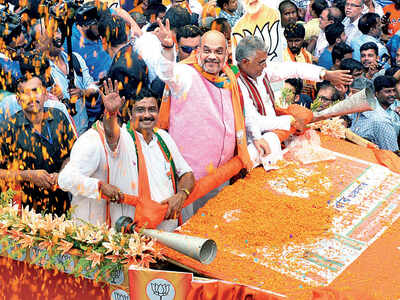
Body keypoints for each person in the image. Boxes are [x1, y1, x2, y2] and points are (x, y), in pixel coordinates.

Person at [58, 80, 194, 230]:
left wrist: (182, 194)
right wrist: (110, 113)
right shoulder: (122, 138)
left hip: (168, 229)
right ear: (129, 113)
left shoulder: (164, 137)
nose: (147, 115)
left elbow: (187, 173)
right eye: (140, 110)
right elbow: (110, 134)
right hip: (135, 233)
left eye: (152, 109)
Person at [149, 23, 253, 218]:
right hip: (189, 178)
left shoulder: (230, 78)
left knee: (214, 226)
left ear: (227, 53)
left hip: (220, 174)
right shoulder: (186, 74)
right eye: (207, 51)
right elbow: (167, 73)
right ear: (198, 51)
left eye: (218, 52)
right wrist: (167, 49)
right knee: (187, 228)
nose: (212, 56)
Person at [235, 35, 353, 165]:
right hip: (254, 144)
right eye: (261, 62)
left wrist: (325, 74)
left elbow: (294, 68)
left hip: (276, 136)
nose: (265, 66)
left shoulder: (260, 71)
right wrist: (289, 121)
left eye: (265, 61)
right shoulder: (236, 84)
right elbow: (254, 122)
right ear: (245, 62)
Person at [0, 72, 76, 216]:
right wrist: (28, 176)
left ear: (45, 94)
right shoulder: (7, 128)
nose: (32, 97)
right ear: (18, 99)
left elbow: (72, 154)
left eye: (36, 91)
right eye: (25, 93)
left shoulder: (59, 117)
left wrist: (61, 174)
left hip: (61, 202)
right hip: (24, 209)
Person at [32, 21, 98, 136]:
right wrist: (53, 100)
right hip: (63, 138)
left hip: (85, 132)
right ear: (38, 44)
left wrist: (83, 92)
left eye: (57, 31)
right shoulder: (39, 73)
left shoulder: (75, 59)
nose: (57, 37)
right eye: (49, 34)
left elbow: (93, 87)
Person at [349, 75, 400, 150]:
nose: (349, 96)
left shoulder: (380, 121)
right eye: (350, 92)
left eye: (354, 93)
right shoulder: (356, 110)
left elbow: (392, 154)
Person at [284, 23, 317, 97]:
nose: (293, 45)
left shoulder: (307, 55)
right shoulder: (283, 56)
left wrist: (311, 87)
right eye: (290, 41)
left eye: (297, 41)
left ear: (303, 40)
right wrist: (299, 88)